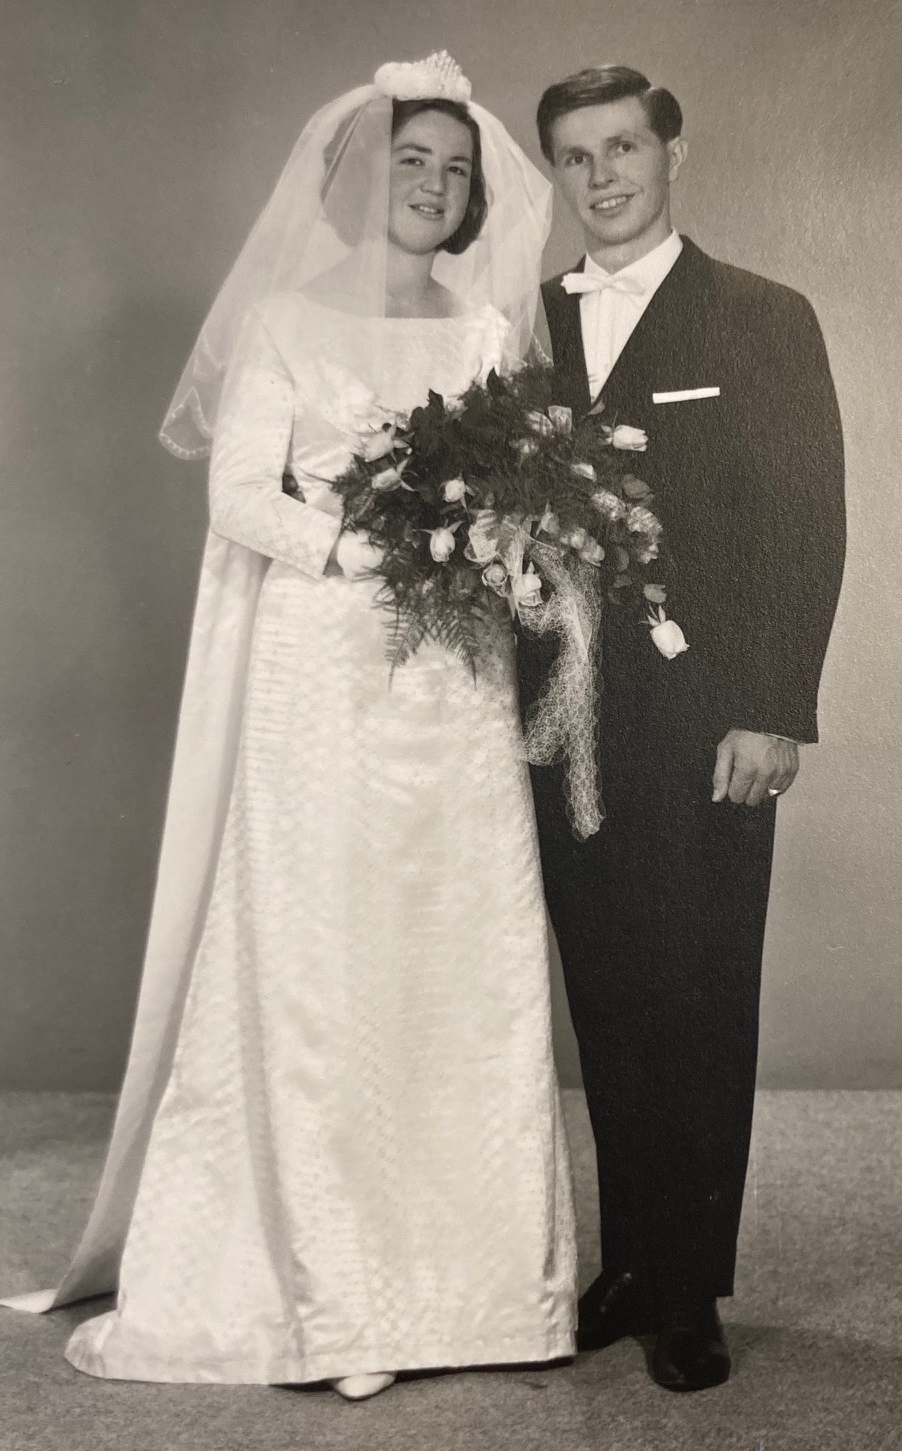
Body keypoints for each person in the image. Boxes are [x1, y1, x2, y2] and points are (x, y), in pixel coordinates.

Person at [1, 55, 575, 1401]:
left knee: (454, 952)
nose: (432, 186)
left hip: (453, 682)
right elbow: (240, 500)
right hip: (322, 667)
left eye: (455, 171)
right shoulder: (285, 320)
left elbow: (515, 491)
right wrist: (376, 548)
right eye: (411, 162)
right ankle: (337, 1296)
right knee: (326, 958)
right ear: (365, 176)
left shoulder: (483, 332)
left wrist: (492, 543)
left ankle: (483, 1290)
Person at [519, 65, 845, 1392]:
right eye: (574, 156)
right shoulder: (526, 323)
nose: (601, 177)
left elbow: (803, 525)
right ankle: (633, 1263)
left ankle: (690, 1287)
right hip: (559, 724)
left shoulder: (762, 315)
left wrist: (773, 707)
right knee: (604, 992)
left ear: (672, 152)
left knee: (698, 993)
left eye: (622, 148)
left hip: (710, 720)